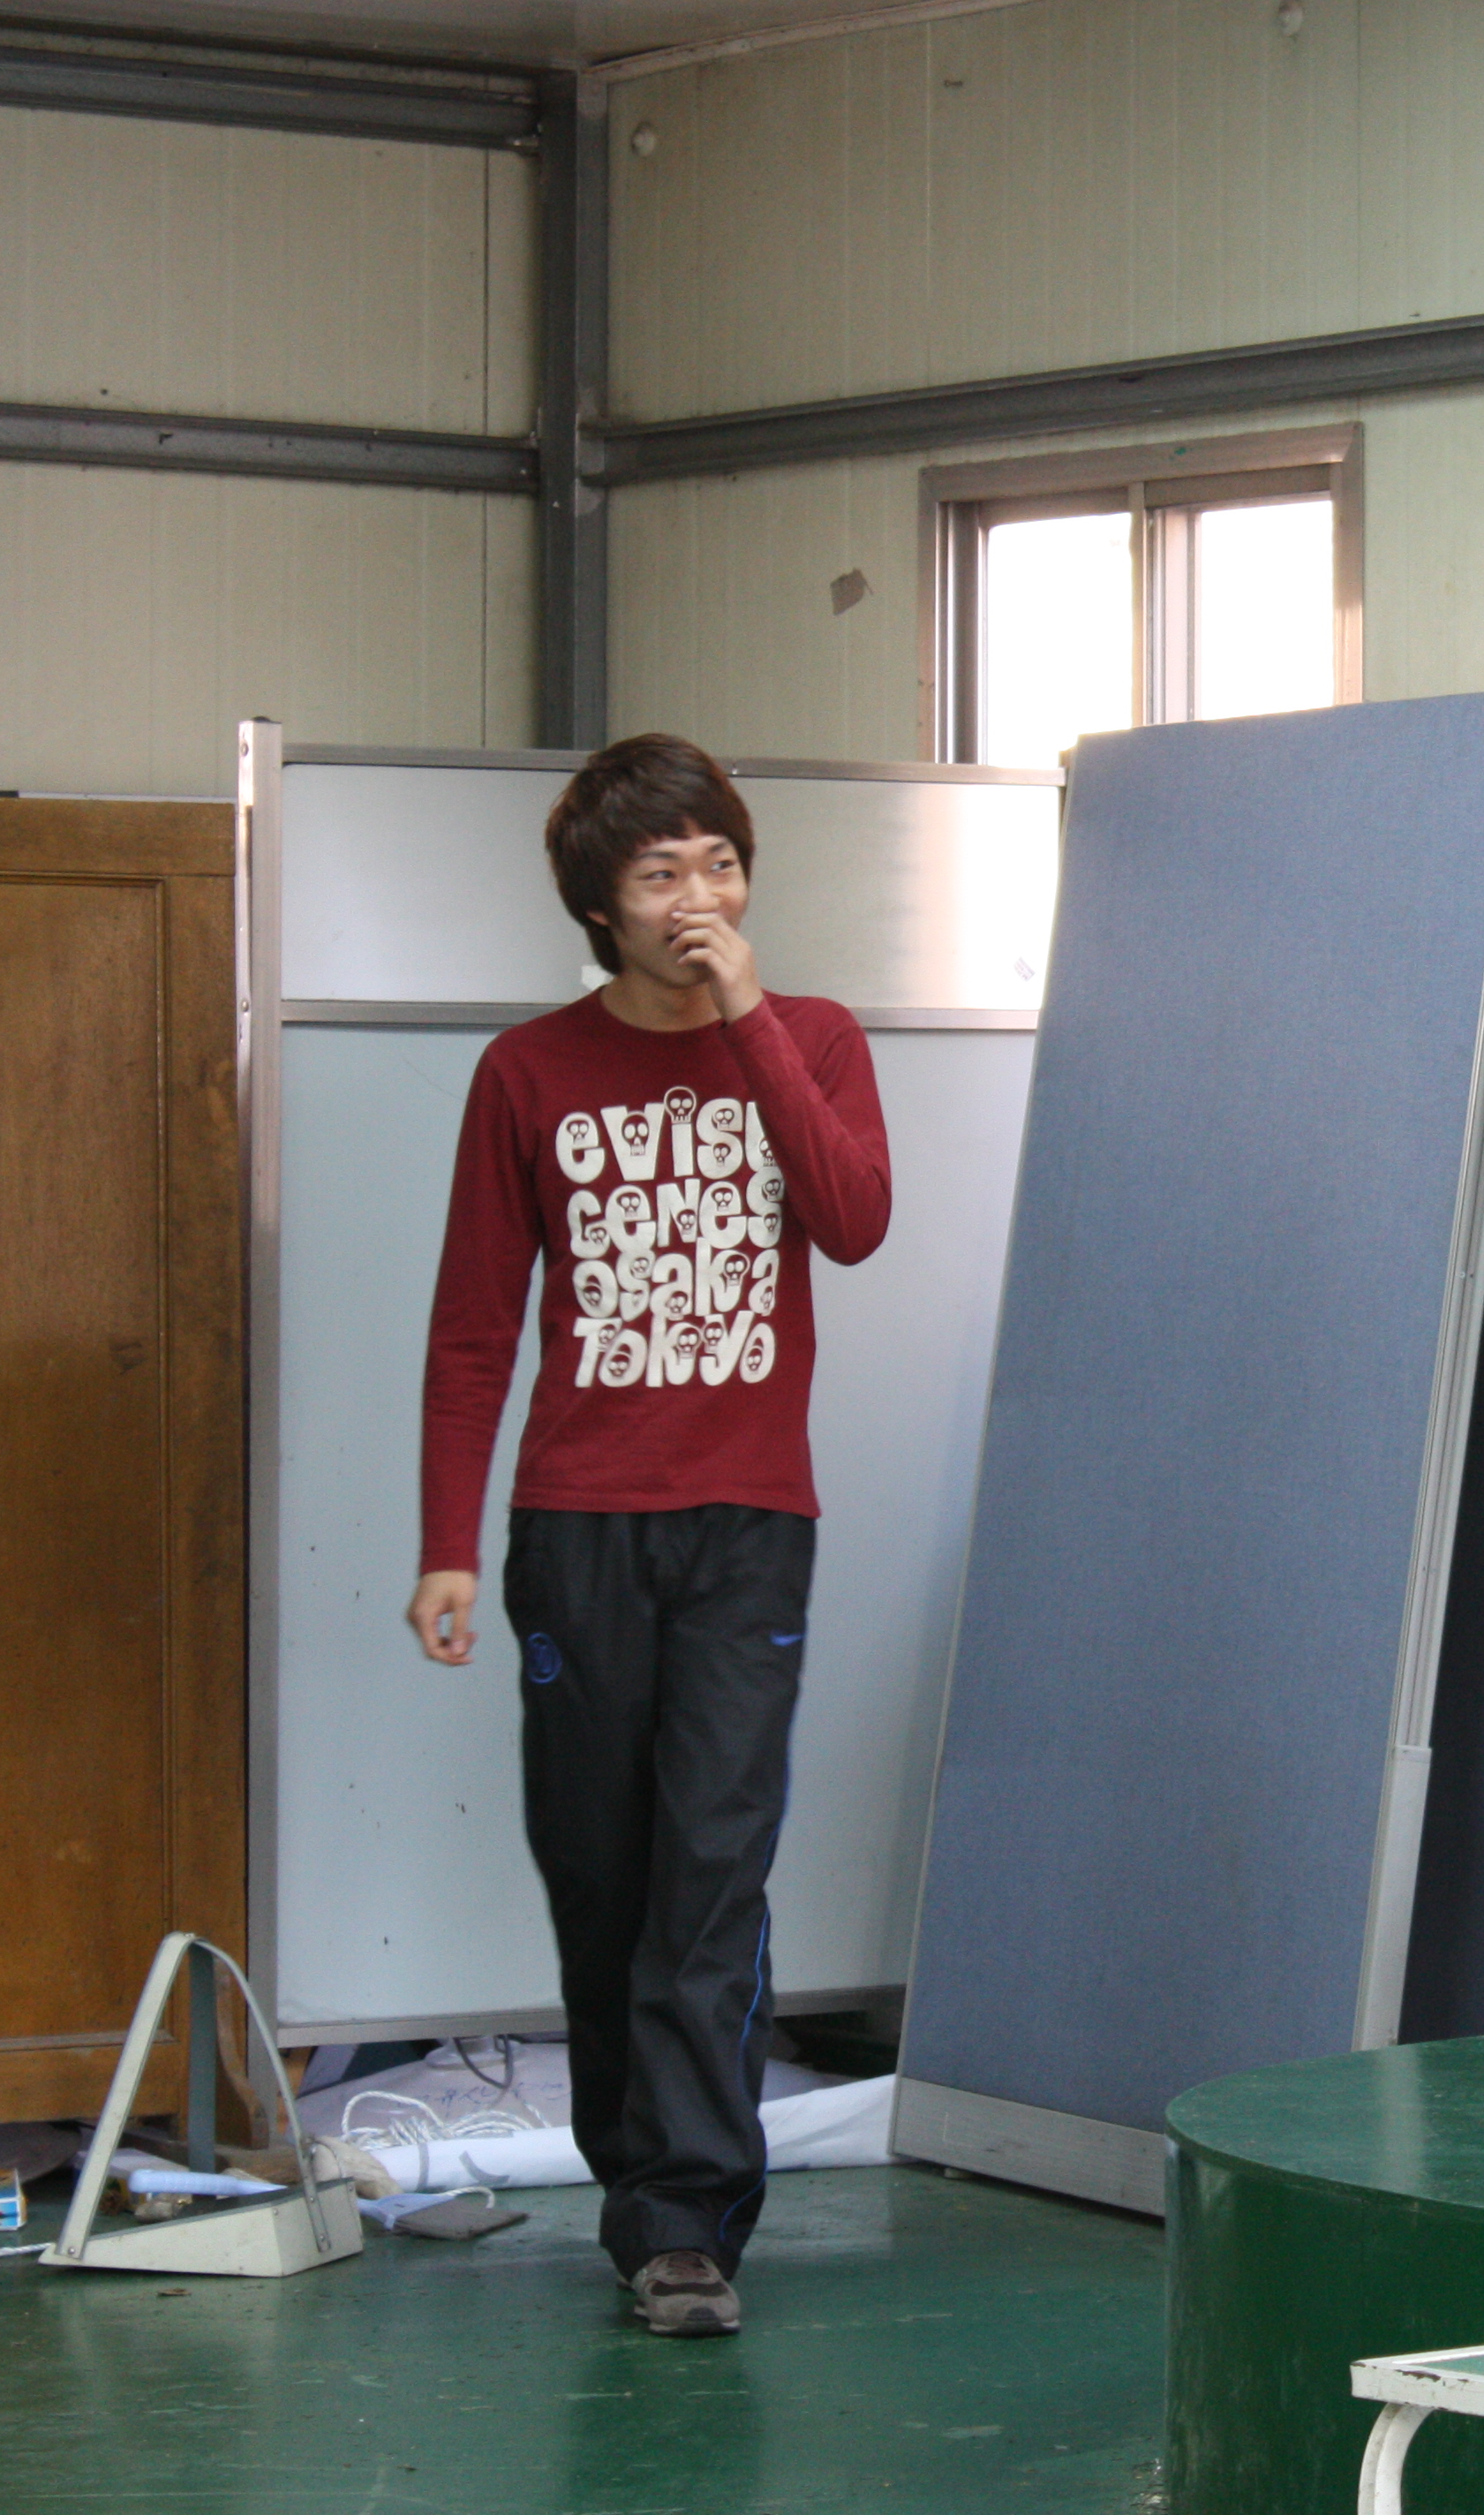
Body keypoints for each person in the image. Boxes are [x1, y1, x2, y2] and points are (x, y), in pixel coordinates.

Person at [405, 736, 894, 2329]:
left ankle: (689, 2219)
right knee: (603, 1876)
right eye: (662, 871)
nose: (700, 896)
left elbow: (855, 1220)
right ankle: (637, 2180)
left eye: (721, 863)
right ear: (600, 906)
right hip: (578, 1527)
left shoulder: (813, 1037)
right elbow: (475, 1325)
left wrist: (749, 1016)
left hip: (748, 1526)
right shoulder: (527, 1072)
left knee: (712, 1868)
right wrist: (449, 1542)